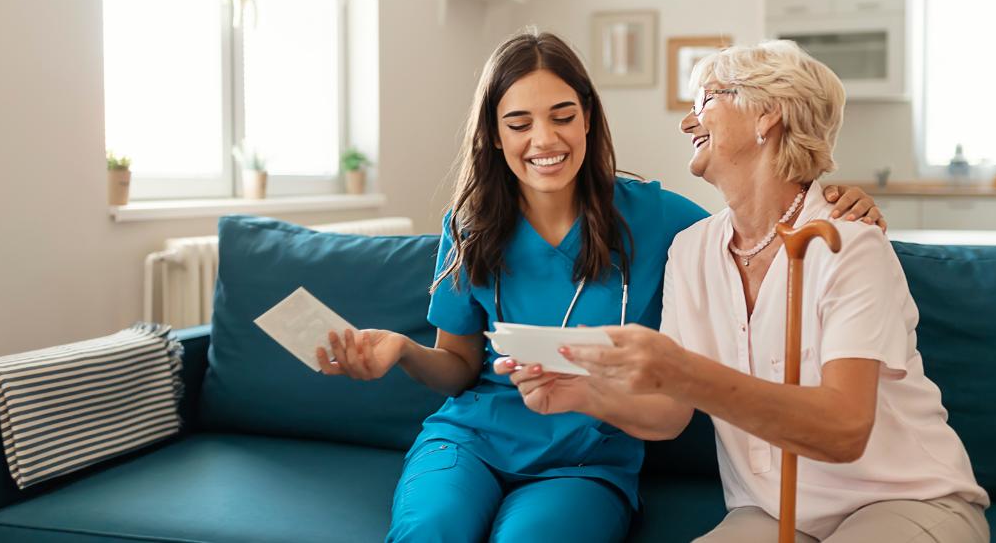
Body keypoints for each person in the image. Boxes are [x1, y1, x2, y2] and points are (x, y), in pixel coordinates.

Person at [313, 31, 886, 543]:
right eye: (518, 123)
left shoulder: (658, 219)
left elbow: (760, 220)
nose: (544, 139)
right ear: (493, 134)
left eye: (563, 115)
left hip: (586, 460)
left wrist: (836, 198)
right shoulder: (468, 226)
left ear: (588, 116)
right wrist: (403, 352)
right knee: (431, 530)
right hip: (468, 443)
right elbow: (458, 365)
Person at [509, 40, 989, 543]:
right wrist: (583, 393)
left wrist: (684, 370)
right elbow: (670, 413)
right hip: (771, 512)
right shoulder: (691, 251)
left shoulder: (846, 242)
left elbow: (845, 430)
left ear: (767, 115)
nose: (686, 123)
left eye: (706, 100)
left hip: (902, 497)